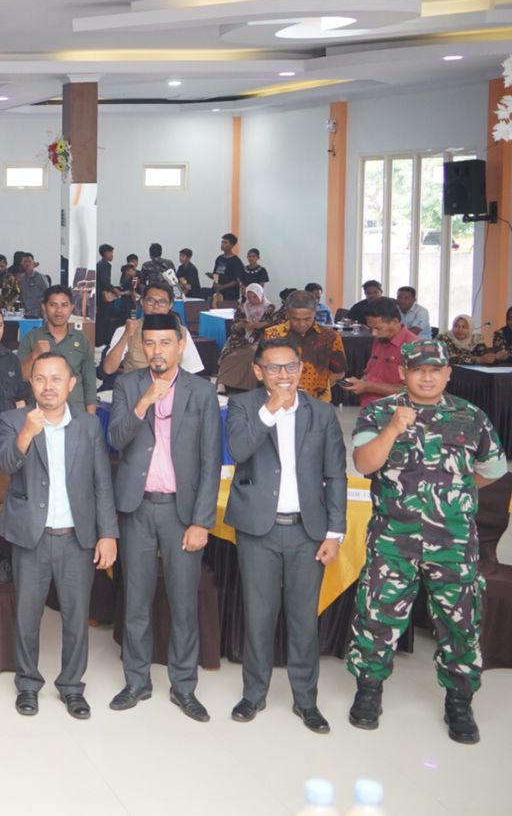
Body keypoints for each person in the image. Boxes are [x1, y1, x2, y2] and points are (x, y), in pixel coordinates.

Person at [346, 339, 507, 744]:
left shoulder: (471, 416)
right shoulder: (380, 412)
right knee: (377, 615)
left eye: (436, 370)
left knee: (460, 621)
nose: (428, 377)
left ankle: (459, 700)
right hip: (393, 539)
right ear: (404, 373)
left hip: (453, 541)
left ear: (448, 373)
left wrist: (451, 496)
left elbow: (491, 470)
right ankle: (369, 690)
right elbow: (364, 463)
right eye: (419, 370)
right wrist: (393, 429)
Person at [223, 337, 346, 734]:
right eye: (274, 368)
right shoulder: (243, 406)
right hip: (258, 530)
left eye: (290, 366)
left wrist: (334, 533)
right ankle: (254, 694)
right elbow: (238, 450)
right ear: (258, 371)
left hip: (307, 532)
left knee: (303, 620)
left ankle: (306, 700)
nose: (283, 375)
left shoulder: (321, 413)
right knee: (258, 617)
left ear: (301, 369)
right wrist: (270, 410)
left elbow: (336, 475)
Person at [106, 312, 221, 723]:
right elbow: (115, 439)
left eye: (165, 342)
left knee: (183, 602)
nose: (157, 350)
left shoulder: (201, 391)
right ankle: (136, 681)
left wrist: (202, 521)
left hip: (181, 512)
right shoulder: (127, 385)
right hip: (137, 508)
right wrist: (143, 402)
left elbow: (210, 460)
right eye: (150, 343)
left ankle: (184, 686)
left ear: (181, 344)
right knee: (135, 600)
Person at [0, 354, 117, 719]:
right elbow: (5, 464)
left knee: (76, 617)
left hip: (76, 536)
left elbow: (102, 482)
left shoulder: (88, 425)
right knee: (27, 616)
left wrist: (108, 534)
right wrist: (27, 433)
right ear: (31, 383)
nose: (48, 386)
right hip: (31, 534)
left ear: (71, 384)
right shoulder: (13, 419)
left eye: (56, 379)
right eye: (40, 379)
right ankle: (27, 684)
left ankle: (72, 686)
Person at [99, 281, 205, 377]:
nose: (156, 306)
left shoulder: (181, 332)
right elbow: (108, 369)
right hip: (136, 389)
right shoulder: (126, 330)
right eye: (150, 301)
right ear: (142, 302)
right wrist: (126, 335)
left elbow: (191, 370)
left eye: (162, 302)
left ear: (170, 305)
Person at [19, 286, 99, 414]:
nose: (59, 310)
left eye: (64, 305)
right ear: (44, 307)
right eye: (53, 305)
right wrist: (35, 355)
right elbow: (22, 376)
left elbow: (89, 380)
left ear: (72, 307)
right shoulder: (31, 338)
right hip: (39, 411)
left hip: (75, 411)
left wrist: (91, 416)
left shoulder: (81, 339)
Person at [260, 291, 348, 402]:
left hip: (318, 401)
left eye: (307, 319)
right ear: (287, 313)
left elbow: (339, 372)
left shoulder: (330, 336)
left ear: (315, 313)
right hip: (280, 399)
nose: (302, 324)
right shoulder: (272, 335)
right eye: (296, 319)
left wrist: (319, 388)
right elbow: (261, 369)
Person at [341, 297, 417, 408]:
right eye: (370, 328)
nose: (373, 333)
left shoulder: (413, 346)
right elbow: (370, 372)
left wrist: (368, 386)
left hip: (394, 412)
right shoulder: (380, 339)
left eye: (378, 328)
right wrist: (359, 383)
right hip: (369, 408)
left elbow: (413, 390)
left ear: (395, 321)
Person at [215, 283, 281, 392]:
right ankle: (224, 382)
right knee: (229, 354)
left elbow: (273, 324)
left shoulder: (270, 308)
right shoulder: (243, 307)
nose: (252, 300)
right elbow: (234, 325)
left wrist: (256, 326)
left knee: (251, 353)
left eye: (255, 297)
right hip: (241, 339)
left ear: (261, 295)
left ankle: (247, 386)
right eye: (249, 297)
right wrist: (241, 325)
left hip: (261, 339)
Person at [210, 233, 245, 307]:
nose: (222, 244)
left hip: (230, 296)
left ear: (232, 245)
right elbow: (216, 274)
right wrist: (215, 283)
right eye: (222, 242)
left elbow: (237, 281)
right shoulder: (219, 258)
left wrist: (222, 286)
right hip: (217, 294)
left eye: (225, 242)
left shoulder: (236, 261)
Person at [15, 253, 49, 318]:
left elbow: (48, 293)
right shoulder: (22, 279)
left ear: (33, 263)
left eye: (29, 261)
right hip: (26, 313)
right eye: (25, 261)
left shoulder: (40, 277)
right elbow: (21, 295)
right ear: (22, 263)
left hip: (40, 313)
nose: (27, 264)